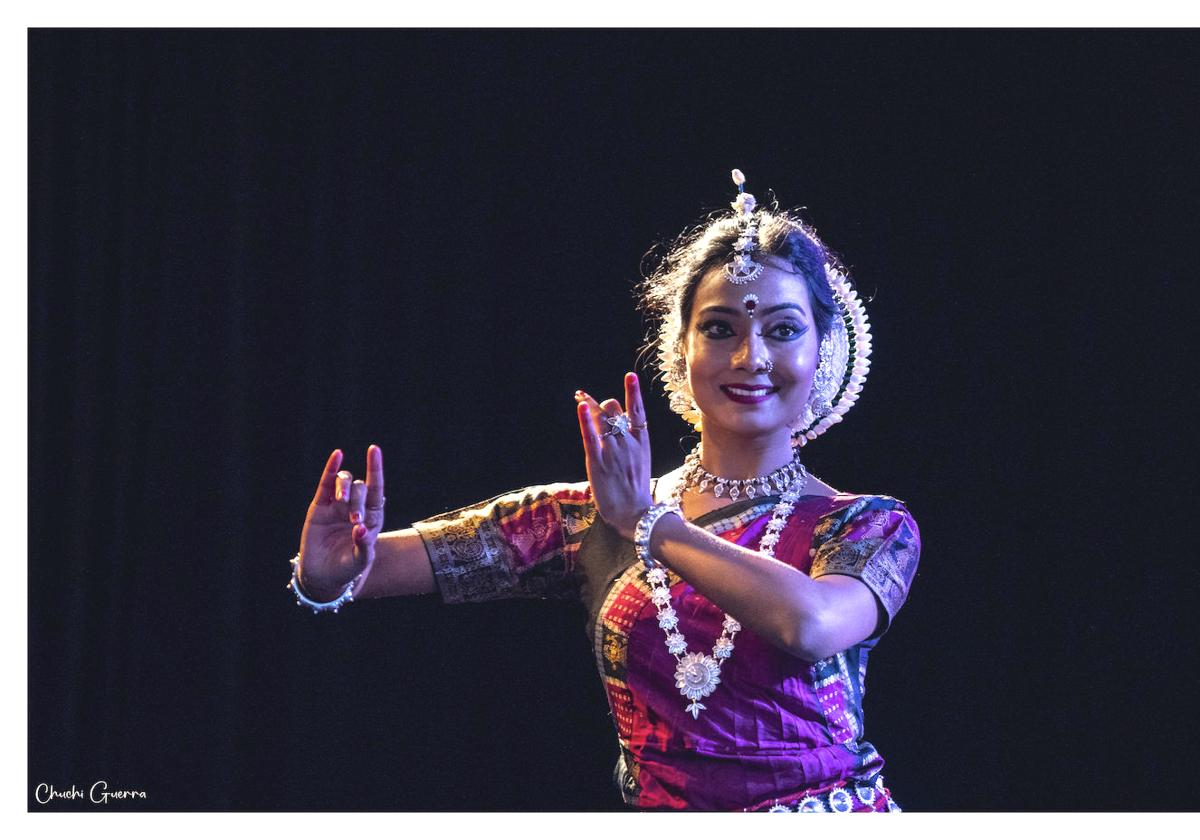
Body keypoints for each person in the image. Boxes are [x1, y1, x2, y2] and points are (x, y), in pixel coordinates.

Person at [289, 170, 922, 812]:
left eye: (783, 330)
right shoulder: (591, 518)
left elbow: (810, 624)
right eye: (719, 328)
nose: (749, 356)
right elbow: (368, 569)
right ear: (681, 351)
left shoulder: (865, 527)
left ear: (825, 348)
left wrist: (650, 523)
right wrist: (328, 574)